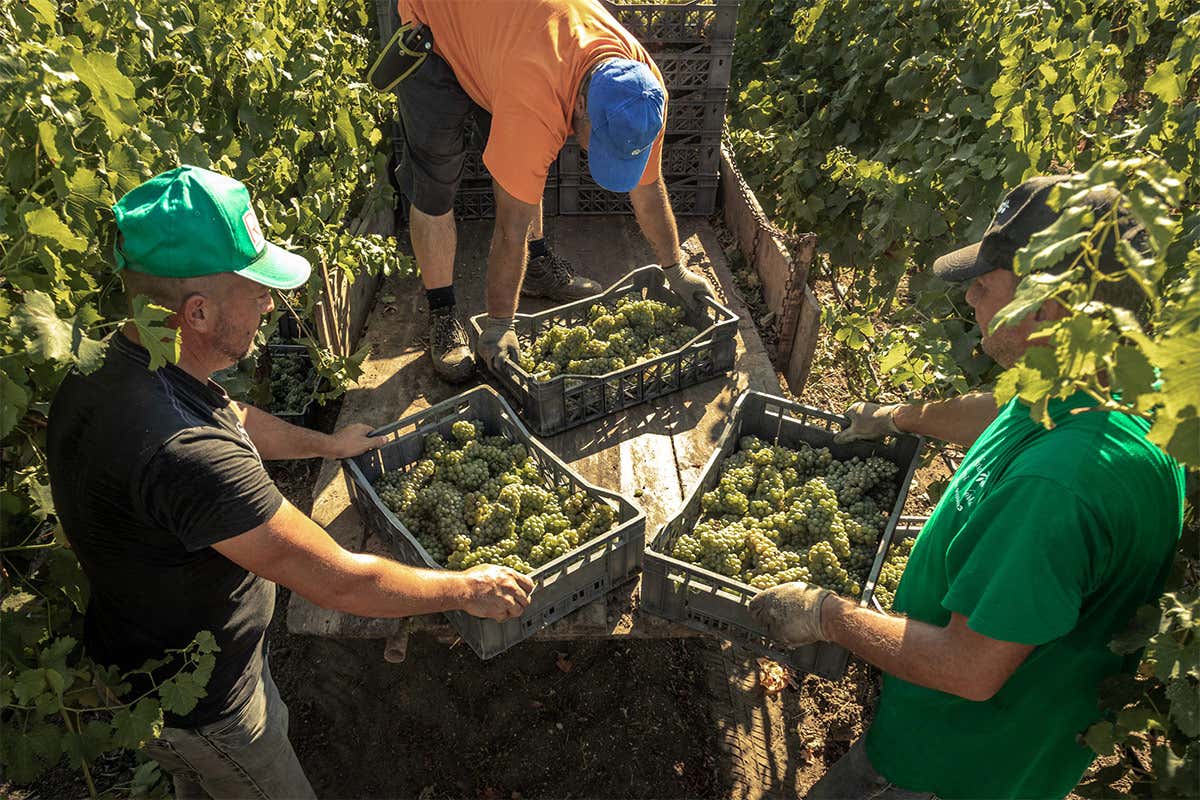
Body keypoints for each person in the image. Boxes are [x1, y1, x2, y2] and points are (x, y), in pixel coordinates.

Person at [46, 166, 534, 799]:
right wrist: (466, 585)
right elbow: (338, 579)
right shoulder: (188, 457)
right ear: (198, 311)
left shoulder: (119, 359)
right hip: (214, 705)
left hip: (142, 656)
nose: (271, 305)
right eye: (256, 291)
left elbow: (229, 415)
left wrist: (331, 443)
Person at [749, 175, 1185, 799]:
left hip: (949, 761)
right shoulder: (1107, 380)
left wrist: (829, 616)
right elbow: (1006, 409)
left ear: (1053, 305)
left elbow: (968, 667)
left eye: (985, 287)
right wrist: (903, 416)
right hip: (996, 742)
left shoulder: (1056, 488)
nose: (970, 300)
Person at [389, 0, 714, 381]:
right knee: (435, 183)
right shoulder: (536, 96)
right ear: (579, 104)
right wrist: (499, 324)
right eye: (602, 146)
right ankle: (442, 313)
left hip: (506, 38)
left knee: (522, 164)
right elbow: (510, 230)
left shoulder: (643, 95)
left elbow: (648, 186)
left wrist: (675, 269)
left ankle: (537, 266)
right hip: (436, 31)